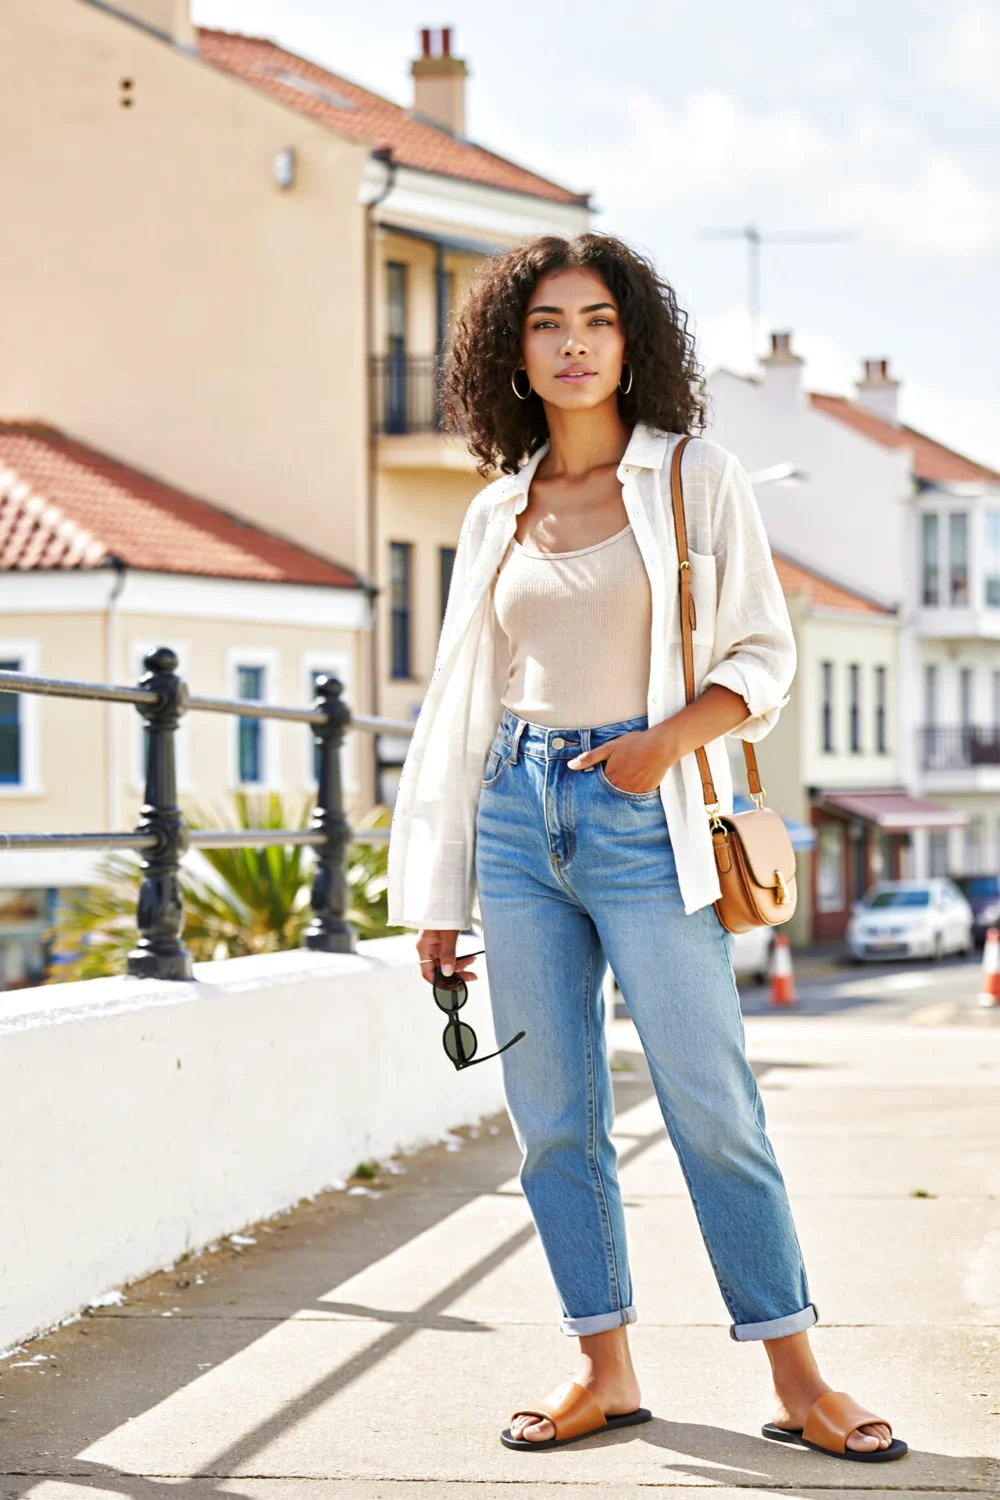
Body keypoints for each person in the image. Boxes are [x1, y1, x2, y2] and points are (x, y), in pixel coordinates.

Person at [386, 232, 905, 1463]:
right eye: (547, 323)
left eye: (598, 321)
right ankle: (601, 1370)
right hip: (515, 822)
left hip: (647, 811)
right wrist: (439, 893)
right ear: (511, 352)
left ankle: (795, 1375)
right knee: (550, 1116)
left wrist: (661, 745)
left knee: (709, 1102)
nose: (573, 344)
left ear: (633, 342)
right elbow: (463, 708)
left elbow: (764, 659)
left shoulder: (690, 477)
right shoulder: (494, 510)